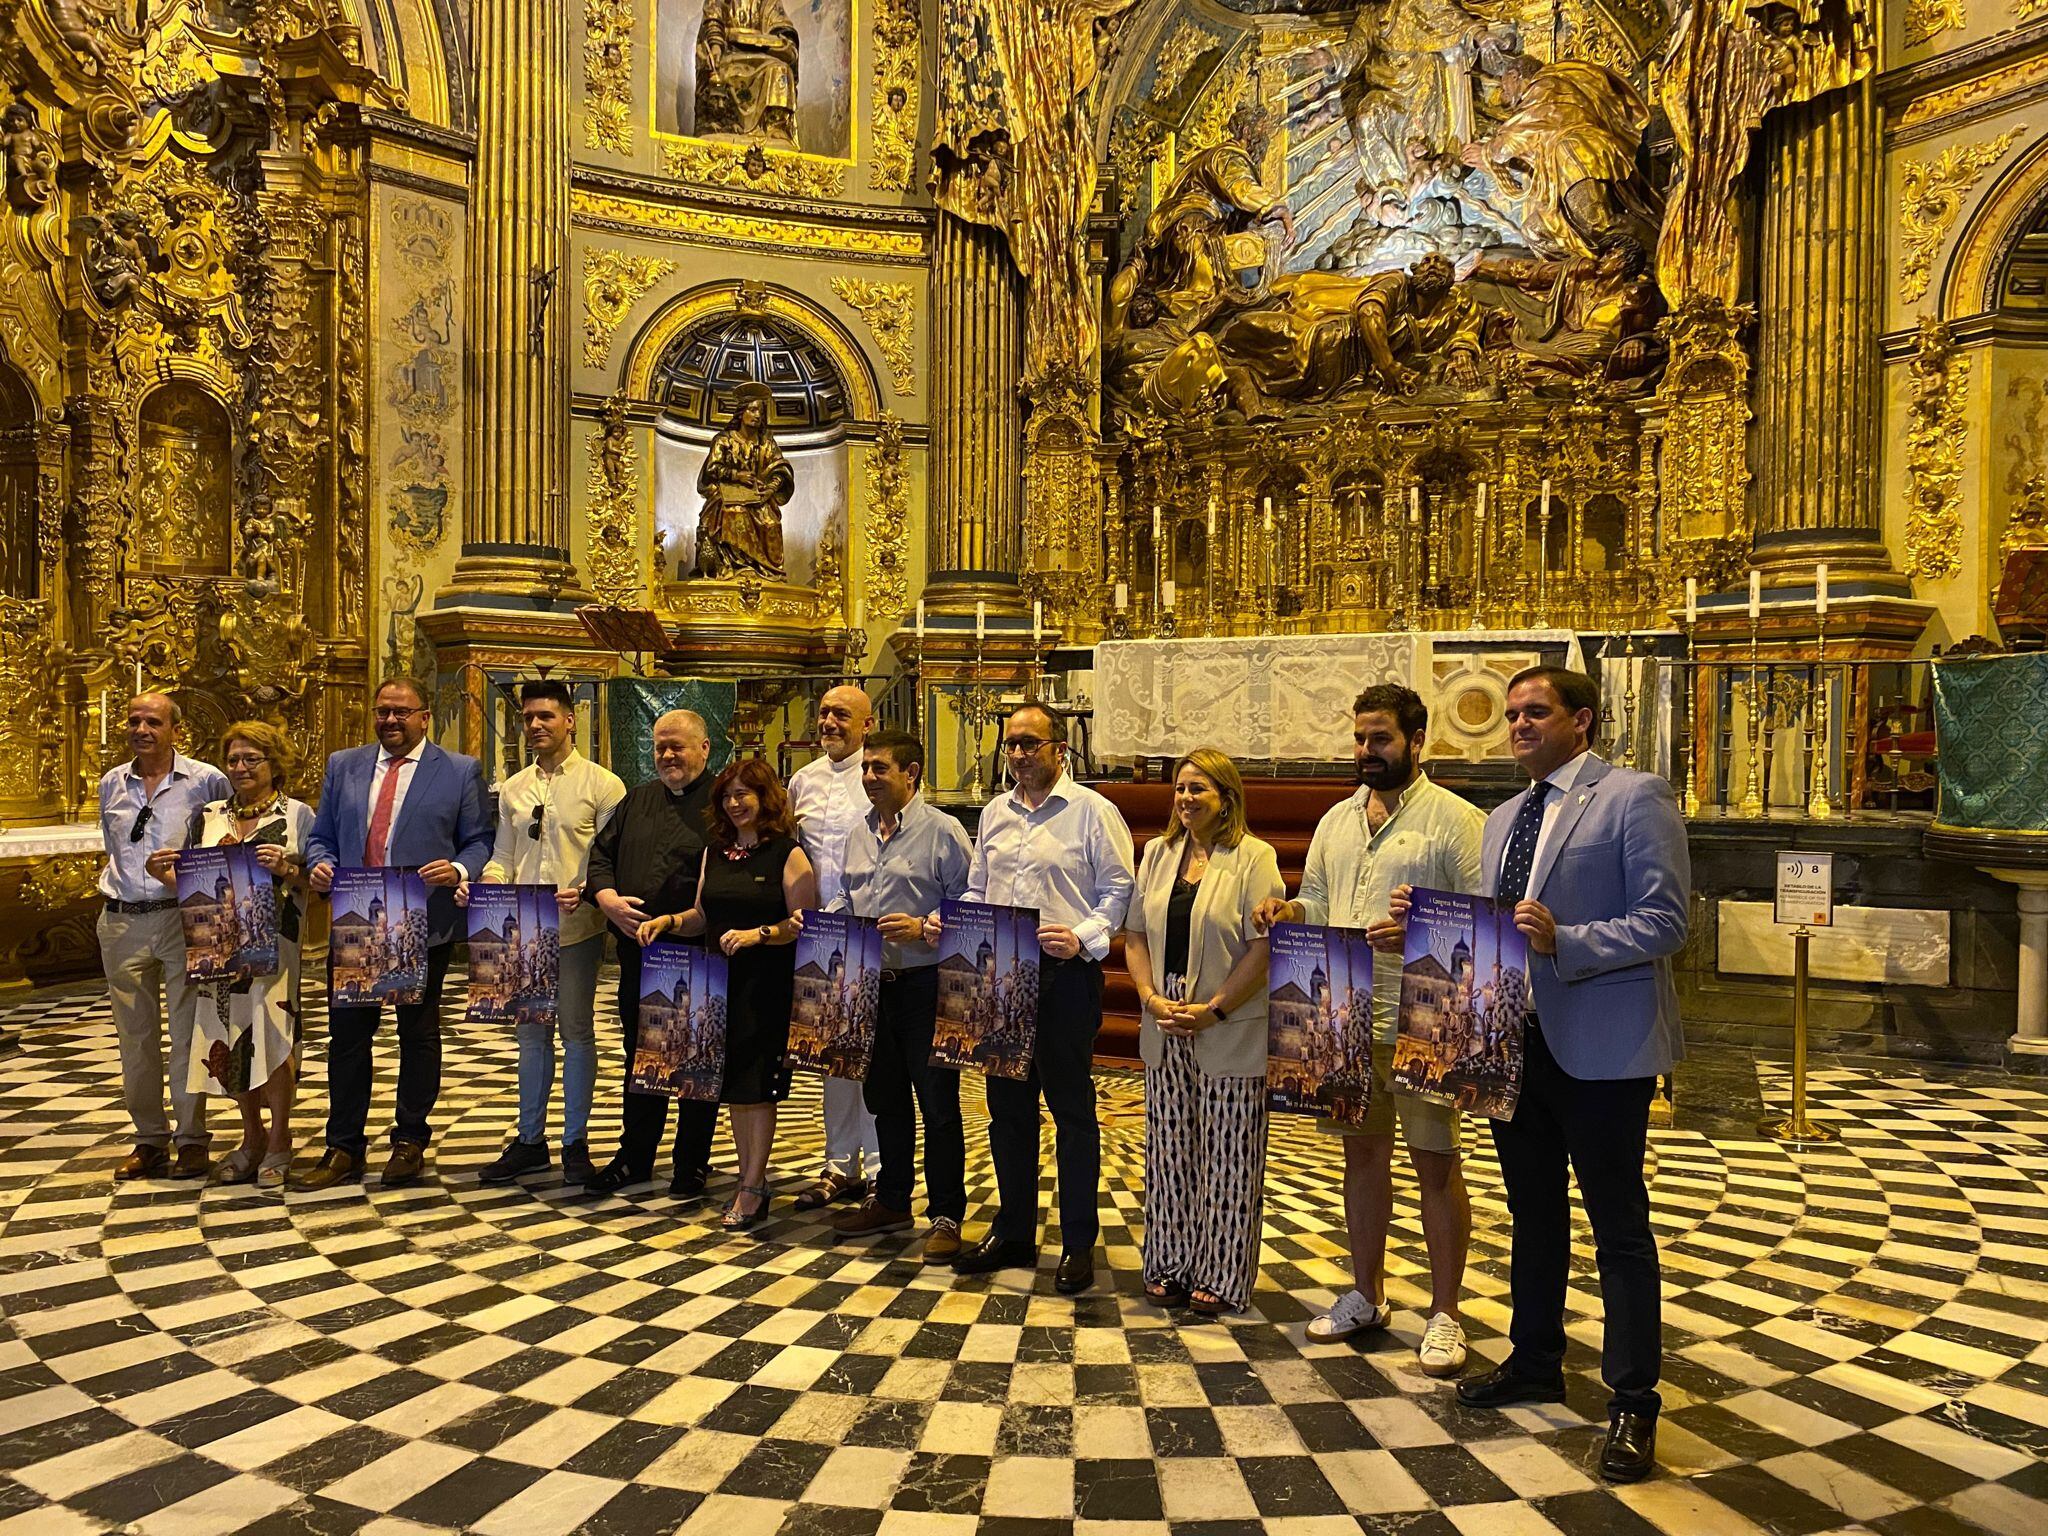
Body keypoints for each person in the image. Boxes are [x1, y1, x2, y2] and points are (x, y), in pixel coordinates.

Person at [1445, 665, 1688, 1485]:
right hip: (1513, 1043)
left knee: (1618, 1227)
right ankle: (1535, 1360)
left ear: (1581, 721)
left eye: (1535, 712)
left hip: (1601, 1045)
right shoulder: (1502, 817)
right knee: (1533, 1214)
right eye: (1511, 714)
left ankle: (1632, 1401)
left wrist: (1567, 941)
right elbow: (1496, 931)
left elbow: (1667, 920)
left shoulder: (1635, 795)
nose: (1517, 725)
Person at [1254, 684, 1484, 1375]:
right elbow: (1320, 899)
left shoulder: (1456, 820)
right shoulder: (1336, 820)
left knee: (1435, 1164)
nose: (1366, 752)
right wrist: (1289, 910)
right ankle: (1367, 1292)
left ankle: (1445, 1312)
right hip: (1346, 1011)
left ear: (1418, 741)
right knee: (1361, 1157)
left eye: (1380, 738)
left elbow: (1482, 917)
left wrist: (1419, 933)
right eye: (1359, 738)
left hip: (1427, 1014)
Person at [940, 700, 1134, 1294]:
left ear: (1060, 750)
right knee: (1007, 1110)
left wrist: (1080, 938)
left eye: (1030, 744)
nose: (1019, 754)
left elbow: (1120, 891)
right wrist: (946, 922)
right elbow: (979, 889)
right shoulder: (996, 812)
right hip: (1000, 978)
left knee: (1072, 1113)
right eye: (1012, 745)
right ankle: (1015, 1230)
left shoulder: (1093, 812)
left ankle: (1078, 1242)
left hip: (1064, 977)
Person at [301, 677, 492, 1190]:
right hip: (355, 920)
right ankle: (343, 1147)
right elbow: (321, 837)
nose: (390, 721)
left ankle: (409, 1141)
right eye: (382, 711)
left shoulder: (457, 771)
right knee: (347, 1040)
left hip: (419, 922)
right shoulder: (344, 765)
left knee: (418, 1036)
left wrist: (458, 868)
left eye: (401, 712)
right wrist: (320, 865)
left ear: (424, 717)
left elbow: (478, 841)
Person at [1124, 749, 1284, 1315]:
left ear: (1227, 798)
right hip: (1164, 1014)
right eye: (1181, 788)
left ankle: (1221, 1273)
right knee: (1169, 1149)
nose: (1187, 798)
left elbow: (1265, 947)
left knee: (1229, 1155)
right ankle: (1169, 1262)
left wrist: (1214, 1008)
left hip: (1227, 1017)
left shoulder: (1254, 857)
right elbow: (1136, 934)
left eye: (1200, 789)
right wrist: (1147, 999)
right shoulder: (1157, 853)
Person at [637, 756, 817, 1230]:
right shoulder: (714, 852)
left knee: (755, 1088)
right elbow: (701, 914)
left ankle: (754, 1185)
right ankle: (747, 1177)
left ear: (765, 798)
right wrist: (670, 921)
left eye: (745, 794)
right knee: (734, 1086)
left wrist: (759, 933)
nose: (736, 803)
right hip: (716, 986)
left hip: (764, 985)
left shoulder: (786, 853)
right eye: (728, 795)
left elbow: (803, 927)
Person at [465, 680, 625, 1187]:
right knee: (530, 1036)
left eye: (545, 717)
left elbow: (607, 860)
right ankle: (530, 1140)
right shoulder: (514, 788)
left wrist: (581, 888)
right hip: (522, 930)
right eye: (528, 717)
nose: (535, 726)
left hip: (576, 928)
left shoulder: (604, 784)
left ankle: (575, 1142)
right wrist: (484, 887)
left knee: (577, 1034)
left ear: (570, 720)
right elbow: (504, 857)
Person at [822, 730, 973, 1260]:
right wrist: (824, 922)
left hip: (926, 983)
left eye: (880, 768)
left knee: (937, 1104)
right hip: (870, 985)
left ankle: (947, 1214)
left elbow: (971, 902)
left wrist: (926, 926)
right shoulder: (858, 832)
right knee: (883, 1098)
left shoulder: (943, 832)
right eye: (865, 768)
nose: (868, 778)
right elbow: (846, 890)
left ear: (911, 773)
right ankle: (891, 1198)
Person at [146, 721, 313, 1190]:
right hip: (218, 946)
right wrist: (163, 875)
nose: (240, 768)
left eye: (251, 759)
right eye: (233, 759)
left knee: (275, 1037)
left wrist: (288, 867)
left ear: (273, 763)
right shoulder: (209, 815)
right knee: (230, 1036)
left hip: (276, 945)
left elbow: (317, 881)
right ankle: (251, 1137)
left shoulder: (298, 815)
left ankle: (280, 1139)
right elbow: (191, 878)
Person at [583, 709, 721, 1196]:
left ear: (704, 748)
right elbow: (599, 857)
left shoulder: (724, 804)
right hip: (638, 955)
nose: (667, 755)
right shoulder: (637, 798)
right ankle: (636, 1155)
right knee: (640, 1057)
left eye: (677, 746)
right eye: (660, 746)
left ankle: (691, 1163)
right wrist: (606, 898)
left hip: (698, 955)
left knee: (696, 1060)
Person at [96, 693, 228, 1181]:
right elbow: (114, 850)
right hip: (123, 920)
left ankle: (192, 1138)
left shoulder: (206, 780)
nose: (141, 729)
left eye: (153, 721)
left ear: (176, 729)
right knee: (135, 1037)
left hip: (179, 918)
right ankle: (149, 1138)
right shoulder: (113, 782)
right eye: (134, 721)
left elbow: (222, 842)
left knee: (188, 1034)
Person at [787, 683, 883, 1213]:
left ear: (866, 725)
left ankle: (880, 1167)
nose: (829, 723)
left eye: (841, 715)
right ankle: (840, 1165)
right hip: (815, 938)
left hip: (868, 933)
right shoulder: (802, 781)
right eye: (823, 713)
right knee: (832, 1058)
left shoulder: (878, 778)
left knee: (873, 1058)